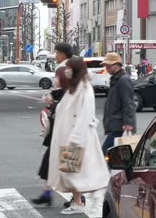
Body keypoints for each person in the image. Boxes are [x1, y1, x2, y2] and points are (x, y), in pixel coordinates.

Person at [48, 57, 110, 215]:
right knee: (72, 172)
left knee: (75, 172)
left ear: (75, 69)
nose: (67, 70)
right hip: (70, 136)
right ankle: (78, 201)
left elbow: (85, 114)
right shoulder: (74, 86)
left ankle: (85, 200)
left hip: (77, 138)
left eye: (69, 67)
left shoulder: (84, 88)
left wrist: (75, 138)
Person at [32, 43, 76, 207]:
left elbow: (67, 98)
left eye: (57, 52)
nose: (55, 55)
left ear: (63, 54)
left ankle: (78, 197)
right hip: (61, 125)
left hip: (66, 127)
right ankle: (47, 193)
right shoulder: (66, 69)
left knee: (67, 161)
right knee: (52, 160)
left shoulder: (65, 70)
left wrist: (53, 101)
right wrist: (51, 97)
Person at [101, 53, 137, 154]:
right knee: (113, 154)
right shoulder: (116, 79)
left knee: (106, 152)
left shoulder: (123, 80)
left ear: (116, 64)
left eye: (108, 66)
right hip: (116, 123)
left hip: (119, 124)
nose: (106, 68)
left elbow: (128, 102)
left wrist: (128, 123)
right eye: (106, 66)